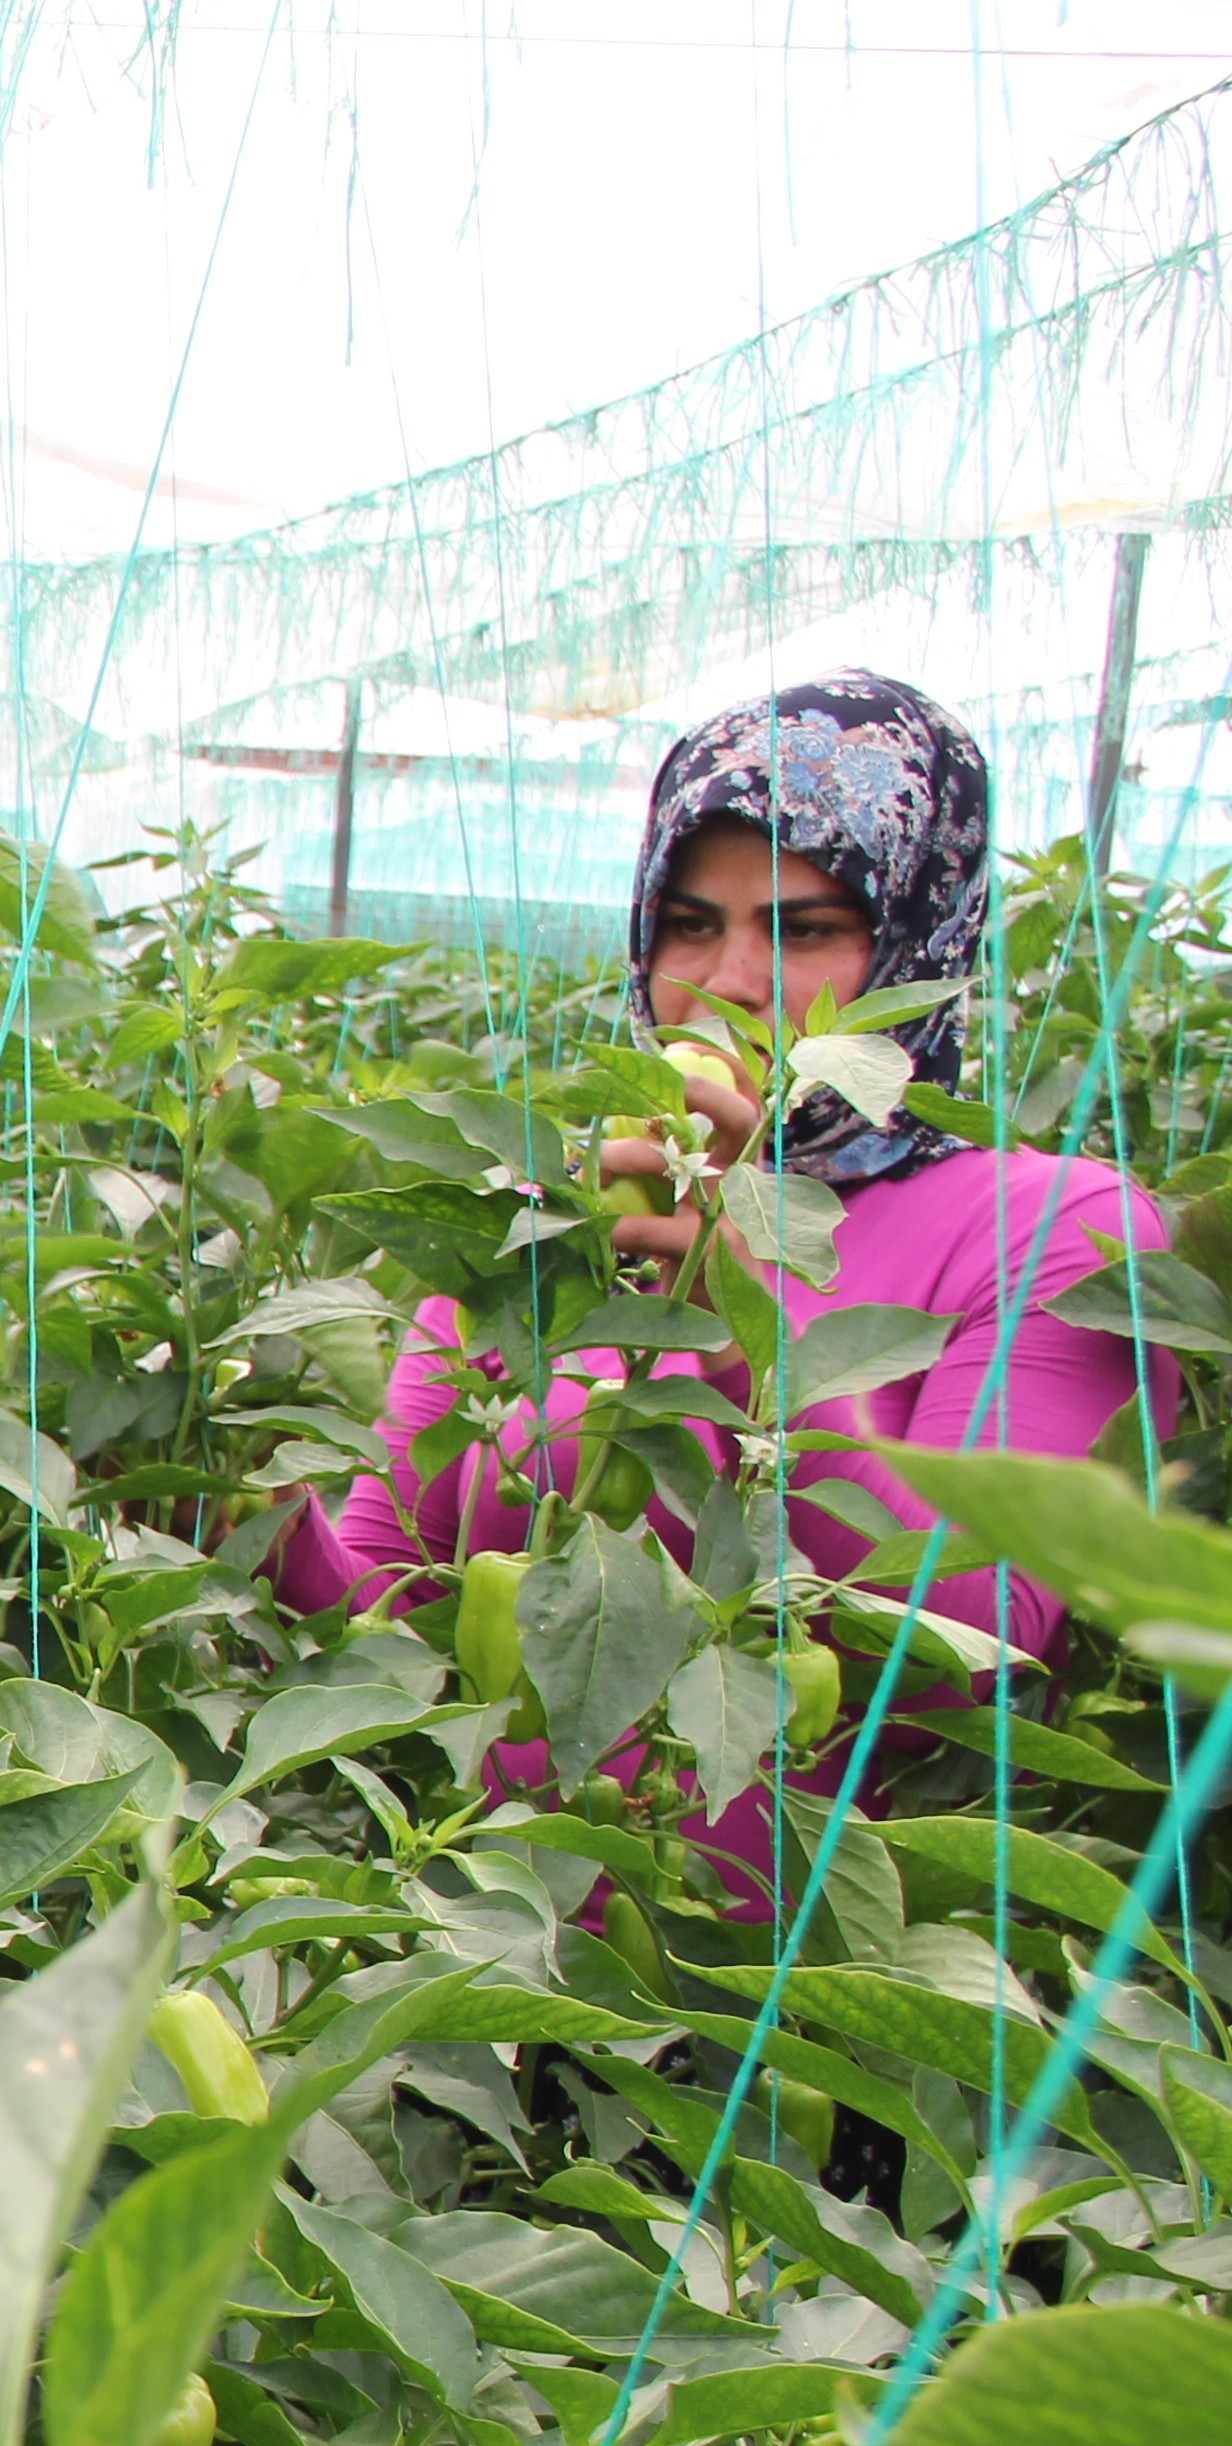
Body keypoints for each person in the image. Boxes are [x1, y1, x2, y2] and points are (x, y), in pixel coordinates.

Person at [268, 672, 1177, 1889]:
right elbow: (374, 1584)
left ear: (922, 936)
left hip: (781, 1998)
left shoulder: (1052, 1231)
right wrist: (240, 1494)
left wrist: (745, 1301)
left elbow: (975, 1644)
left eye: (805, 930)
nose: (730, 981)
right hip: (466, 1950)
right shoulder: (568, 1208)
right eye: (691, 925)